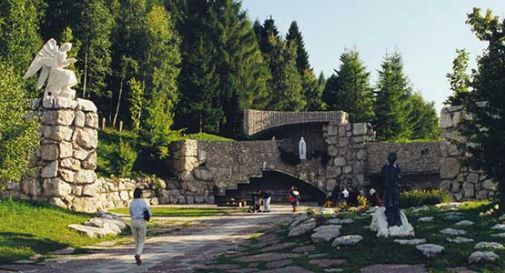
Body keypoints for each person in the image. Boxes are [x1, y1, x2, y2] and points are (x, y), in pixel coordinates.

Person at [129, 188, 151, 265]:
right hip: (141, 221)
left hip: (133, 221)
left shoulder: (132, 202)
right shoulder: (142, 202)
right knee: (141, 240)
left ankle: (136, 256)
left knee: (136, 240)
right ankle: (138, 254)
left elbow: (130, 212)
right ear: (141, 194)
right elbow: (148, 211)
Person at [382, 152, 402, 227]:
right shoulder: (389, 168)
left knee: (394, 204)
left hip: (393, 188)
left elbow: (399, 177)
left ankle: (396, 220)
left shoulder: (396, 168)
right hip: (389, 188)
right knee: (390, 204)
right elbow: (383, 177)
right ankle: (392, 220)